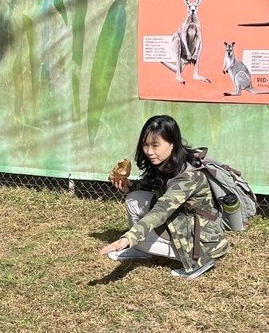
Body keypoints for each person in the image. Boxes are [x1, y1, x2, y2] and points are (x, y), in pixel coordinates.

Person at [98, 115, 230, 279]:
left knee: (141, 238)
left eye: (155, 145)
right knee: (134, 198)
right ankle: (141, 249)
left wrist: (129, 238)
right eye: (146, 145)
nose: (149, 152)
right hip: (183, 220)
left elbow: (160, 211)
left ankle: (200, 261)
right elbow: (152, 186)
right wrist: (129, 187)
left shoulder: (188, 176)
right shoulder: (168, 162)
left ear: (172, 143)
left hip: (202, 236)